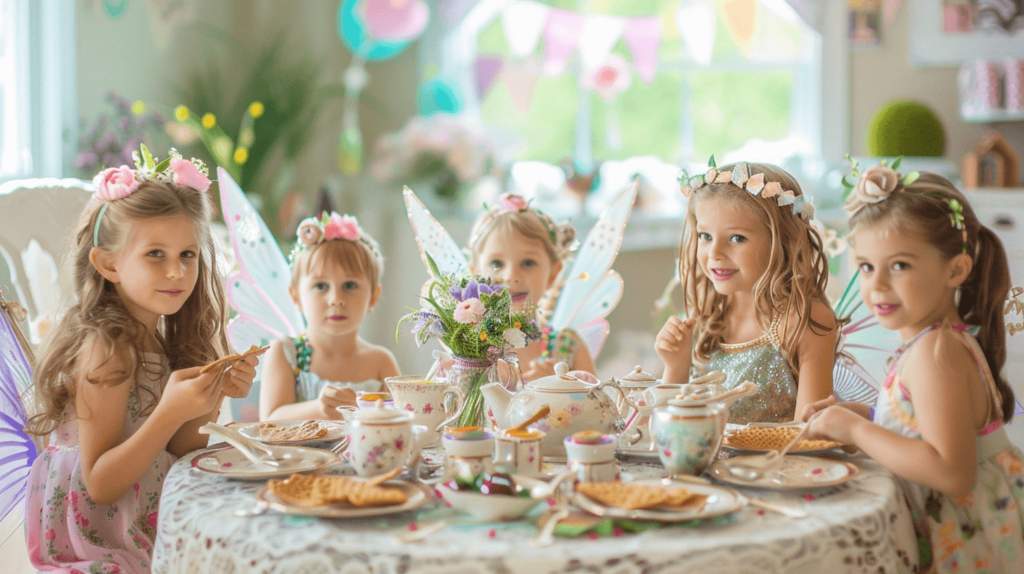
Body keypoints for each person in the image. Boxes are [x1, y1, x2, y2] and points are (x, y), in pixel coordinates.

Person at [23, 149, 258, 573]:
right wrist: (170, 412)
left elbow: (177, 450)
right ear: (108, 263)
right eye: (155, 255)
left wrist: (208, 399)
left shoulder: (159, 338)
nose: (176, 272)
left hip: (147, 524)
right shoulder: (106, 347)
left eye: (187, 254)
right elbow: (101, 485)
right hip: (102, 543)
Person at [803, 166, 1024, 572]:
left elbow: (951, 471)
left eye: (900, 266)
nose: (878, 285)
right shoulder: (937, 341)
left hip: (977, 542)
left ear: (955, 270)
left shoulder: (935, 352)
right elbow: (931, 427)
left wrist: (858, 432)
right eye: (867, 266)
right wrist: (869, 416)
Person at [656, 160, 838, 422]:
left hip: (778, 463)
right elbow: (671, 431)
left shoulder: (803, 319)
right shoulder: (708, 311)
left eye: (736, 238)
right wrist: (675, 367)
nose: (715, 254)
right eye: (705, 236)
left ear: (783, 241)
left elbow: (811, 434)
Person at [259, 212, 399, 421]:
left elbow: (400, 420)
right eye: (321, 286)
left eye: (349, 285)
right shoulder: (286, 353)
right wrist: (320, 408)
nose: (336, 299)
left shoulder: (381, 362)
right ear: (296, 297)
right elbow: (270, 420)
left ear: (373, 296)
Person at [467, 193, 597, 381]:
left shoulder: (569, 348)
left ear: (553, 273)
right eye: (496, 264)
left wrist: (559, 387)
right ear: (476, 273)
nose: (511, 276)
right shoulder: (469, 349)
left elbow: (600, 408)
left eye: (528, 263)